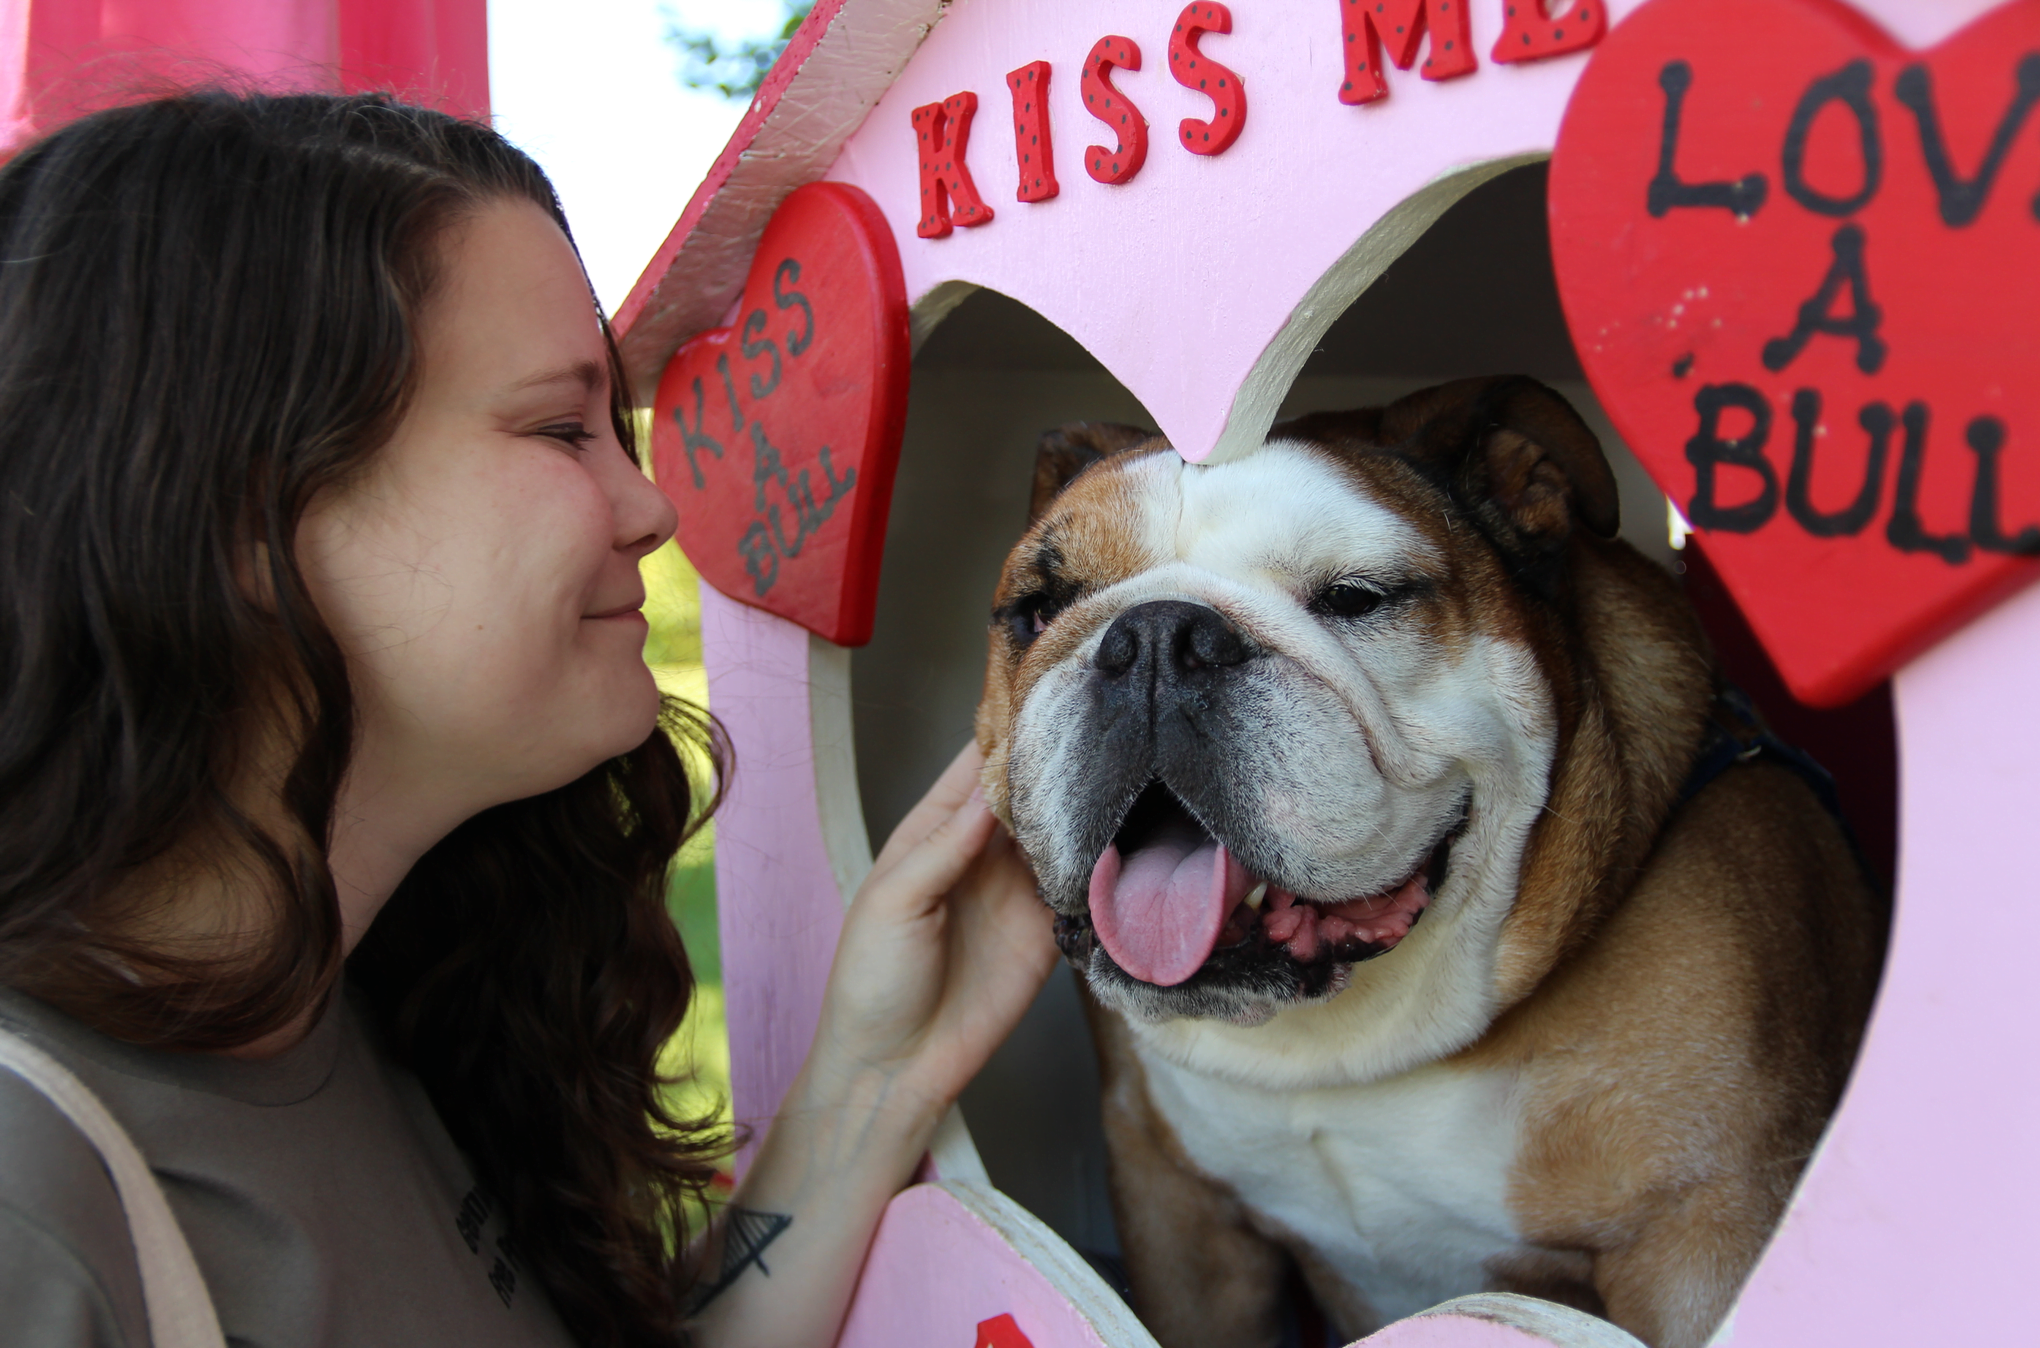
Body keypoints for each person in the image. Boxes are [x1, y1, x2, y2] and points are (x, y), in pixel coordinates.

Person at [0, 91, 1056, 1347]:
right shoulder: (33, 1207)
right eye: (563, 429)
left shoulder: (369, 994)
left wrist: (877, 1074)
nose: (649, 509)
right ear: (237, 510)